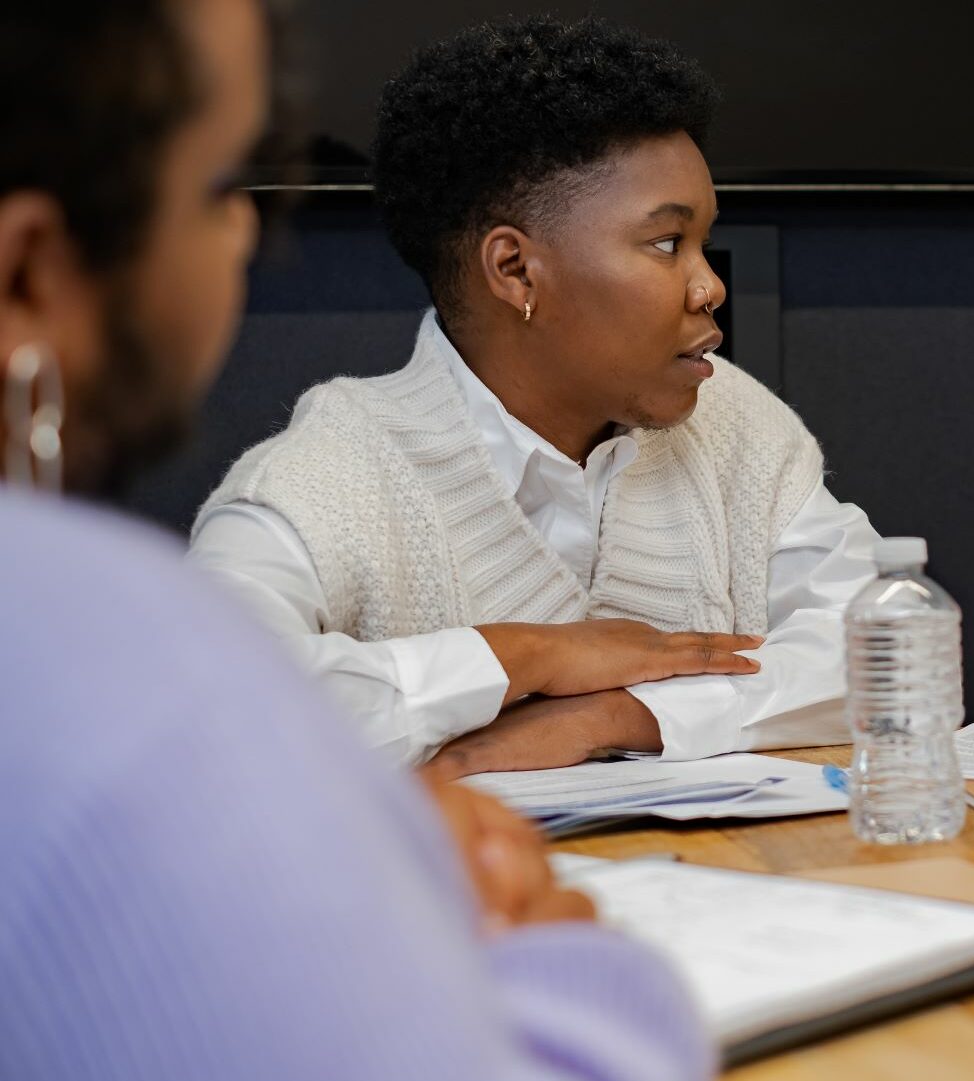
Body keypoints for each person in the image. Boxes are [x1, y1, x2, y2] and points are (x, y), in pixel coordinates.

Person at [0, 2, 707, 1077]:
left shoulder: (731, 432)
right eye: (225, 186)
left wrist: (612, 713)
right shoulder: (102, 644)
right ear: (28, 272)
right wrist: (555, 948)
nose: (244, 235)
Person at [189, 16, 879, 775]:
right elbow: (207, 708)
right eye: (665, 243)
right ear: (515, 270)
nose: (710, 285)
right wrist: (528, 655)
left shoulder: (737, 425)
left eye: (704, 243)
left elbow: (886, 655)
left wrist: (618, 714)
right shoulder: (325, 475)